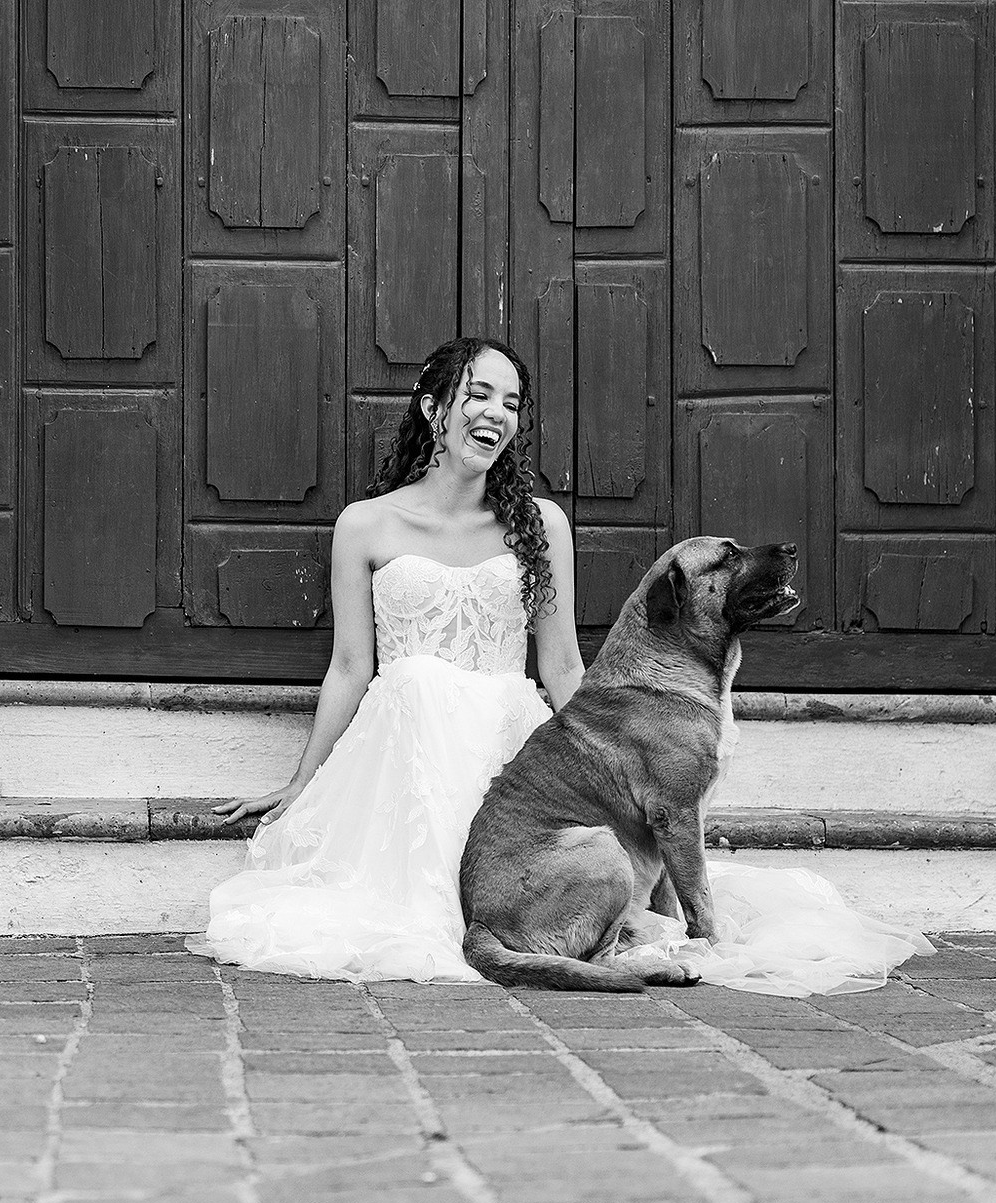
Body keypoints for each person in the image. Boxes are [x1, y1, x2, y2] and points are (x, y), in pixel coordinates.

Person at [188, 337, 930, 996]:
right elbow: (350, 667)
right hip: (408, 753)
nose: (495, 413)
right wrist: (302, 782)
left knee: (554, 861)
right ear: (430, 407)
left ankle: (608, 924)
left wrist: (632, 756)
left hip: (514, 745)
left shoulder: (540, 525)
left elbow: (565, 666)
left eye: (511, 403)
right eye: (477, 393)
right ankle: (598, 934)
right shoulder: (366, 523)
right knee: (404, 913)